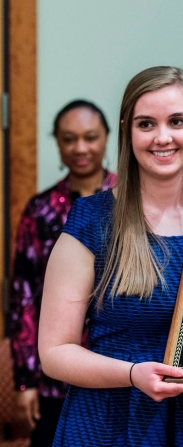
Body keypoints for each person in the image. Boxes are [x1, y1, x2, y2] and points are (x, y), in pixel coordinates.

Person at [38, 66, 183, 446]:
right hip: (110, 423)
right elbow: (54, 353)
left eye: (177, 121)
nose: (162, 137)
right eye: (146, 124)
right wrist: (133, 374)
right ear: (127, 131)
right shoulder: (91, 222)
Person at [9, 99, 116, 447]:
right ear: (57, 142)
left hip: (121, 368)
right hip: (55, 378)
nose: (80, 148)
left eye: (90, 137)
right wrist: (26, 382)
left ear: (106, 138)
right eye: (69, 139)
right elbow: (23, 298)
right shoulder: (39, 211)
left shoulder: (132, 202)